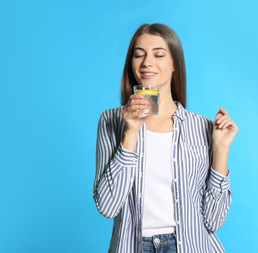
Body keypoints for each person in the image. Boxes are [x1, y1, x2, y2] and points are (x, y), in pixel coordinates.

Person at [93, 23, 239, 253]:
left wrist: (221, 148)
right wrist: (130, 133)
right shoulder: (111, 121)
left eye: (158, 54)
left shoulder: (202, 127)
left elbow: (214, 220)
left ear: (174, 65)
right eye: (138, 55)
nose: (146, 62)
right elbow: (108, 206)